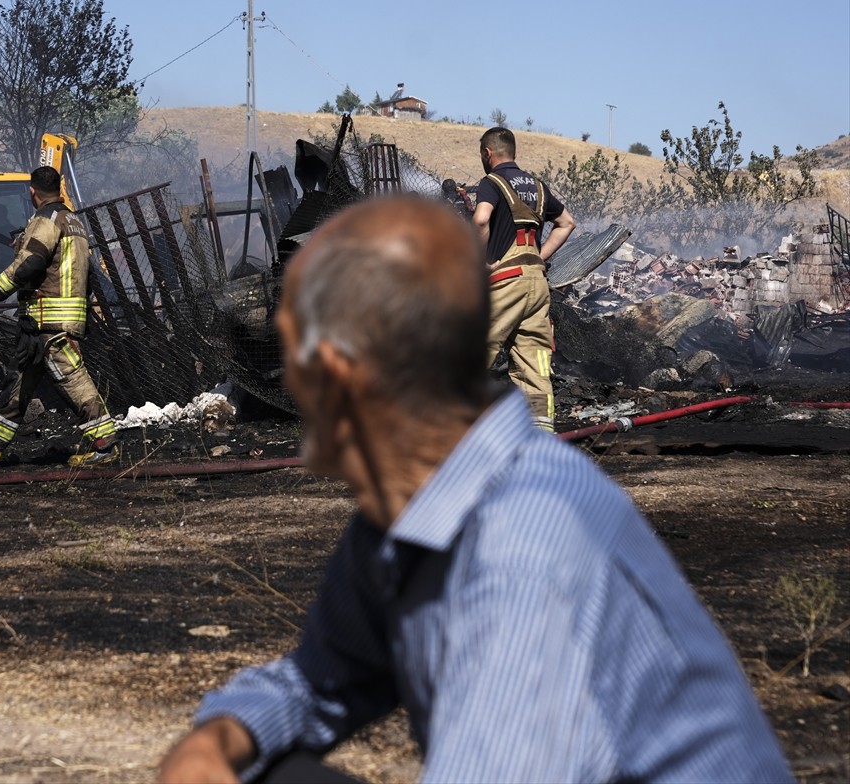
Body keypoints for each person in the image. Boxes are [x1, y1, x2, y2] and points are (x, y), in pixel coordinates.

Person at [159, 194, 792, 784]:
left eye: (296, 361)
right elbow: (320, 680)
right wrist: (215, 739)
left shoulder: (523, 546)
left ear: (341, 376)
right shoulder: (406, 510)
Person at [0, 166, 118, 467]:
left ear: (32, 192)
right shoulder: (74, 221)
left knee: (72, 380)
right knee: (18, 382)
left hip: (50, 320)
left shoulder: (46, 221)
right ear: (59, 188)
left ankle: (105, 445)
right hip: (42, 322)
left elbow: (29, 263)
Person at [473, 126, 575, 431]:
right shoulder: (538, 186)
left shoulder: (492, 182)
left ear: (487, 153)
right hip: (537, 284)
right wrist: (537, 258)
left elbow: (480, 219)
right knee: (535, 364)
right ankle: (541, 433)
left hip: (507, 281)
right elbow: (567, 222)